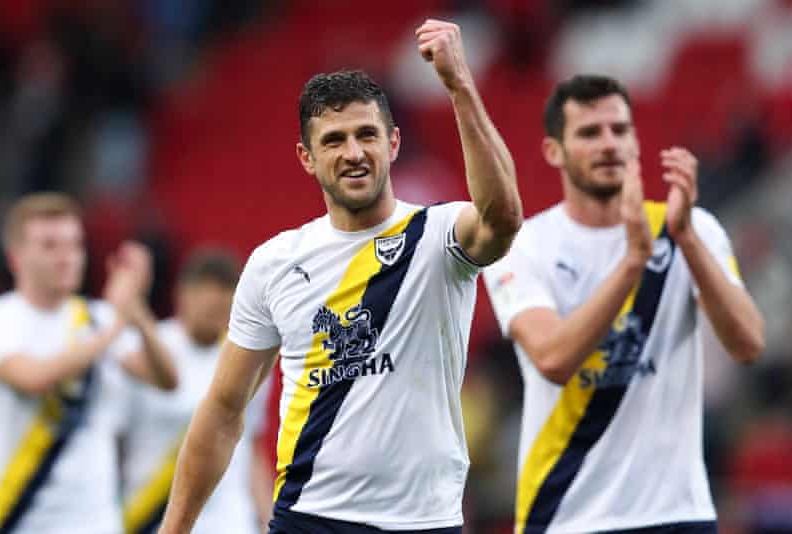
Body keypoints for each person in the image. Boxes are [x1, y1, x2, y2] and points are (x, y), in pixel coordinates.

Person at [159, 18, 523, 534]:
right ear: (307, 158)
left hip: (423, 521)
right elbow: (222, 411)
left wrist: (459, 86)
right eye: (333, 140)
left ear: (393, 143)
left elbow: (503, 219)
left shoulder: (439, 234)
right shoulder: (275, 262)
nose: (353, 153)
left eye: (366, 135)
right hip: (310, 518)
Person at [482, 74, 765, 534]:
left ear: (636, 141)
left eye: (619, 130)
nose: (609, 143)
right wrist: (635, 261)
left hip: (677, 512)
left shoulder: (692, 228)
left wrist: (686, 239)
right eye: (589, 133)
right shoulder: (526, 245)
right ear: (554, 151)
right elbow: (553, 359)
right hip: (565, 512)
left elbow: (748, 343)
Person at [0, 192, 178, 534]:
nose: (67, 257)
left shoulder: (98, 317)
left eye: (75, 245)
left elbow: (166, 379)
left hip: (94, 521)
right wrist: (118, 323)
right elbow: (32, 378)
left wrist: (136, 309)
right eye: (50, 246)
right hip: (16, 516)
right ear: (15, 257)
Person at [121, 250, 273, 534]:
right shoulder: (148, 347)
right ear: (182, 295)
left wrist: (267, 520)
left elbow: (251, 448)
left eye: (224, 305)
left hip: (229, 522)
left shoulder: (248, 359)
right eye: (208, 303)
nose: (216, 314)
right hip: (152, 516)